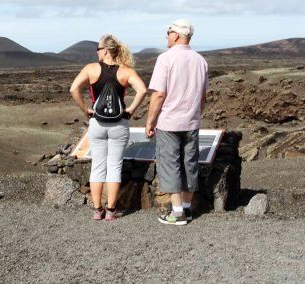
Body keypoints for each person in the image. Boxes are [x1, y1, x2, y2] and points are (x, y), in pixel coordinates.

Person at [70, 34, 147, 221]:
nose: (96, 52)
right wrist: (130, 110)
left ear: (105, 50)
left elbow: (74, 89)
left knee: (98, 165)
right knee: (114, 166)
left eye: (98, 49)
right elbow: (143, 90)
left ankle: (97, 210)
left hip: (97, 122)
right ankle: (111, 210)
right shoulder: (126, 71)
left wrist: (86, 110)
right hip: (119, 124)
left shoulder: (91, 69)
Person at [146, 19, 209, 225]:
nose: (166, 37)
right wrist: (196, 114)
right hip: (192, 122)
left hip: (169, 123)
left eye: (168, 33)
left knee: (170, 164)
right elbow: (202, 95)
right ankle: (188, 209)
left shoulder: (165, 59)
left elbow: (158, 95)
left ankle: (177, 212)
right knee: (189, 164)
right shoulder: (201, 60)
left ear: (175, 35)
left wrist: (150, 122)